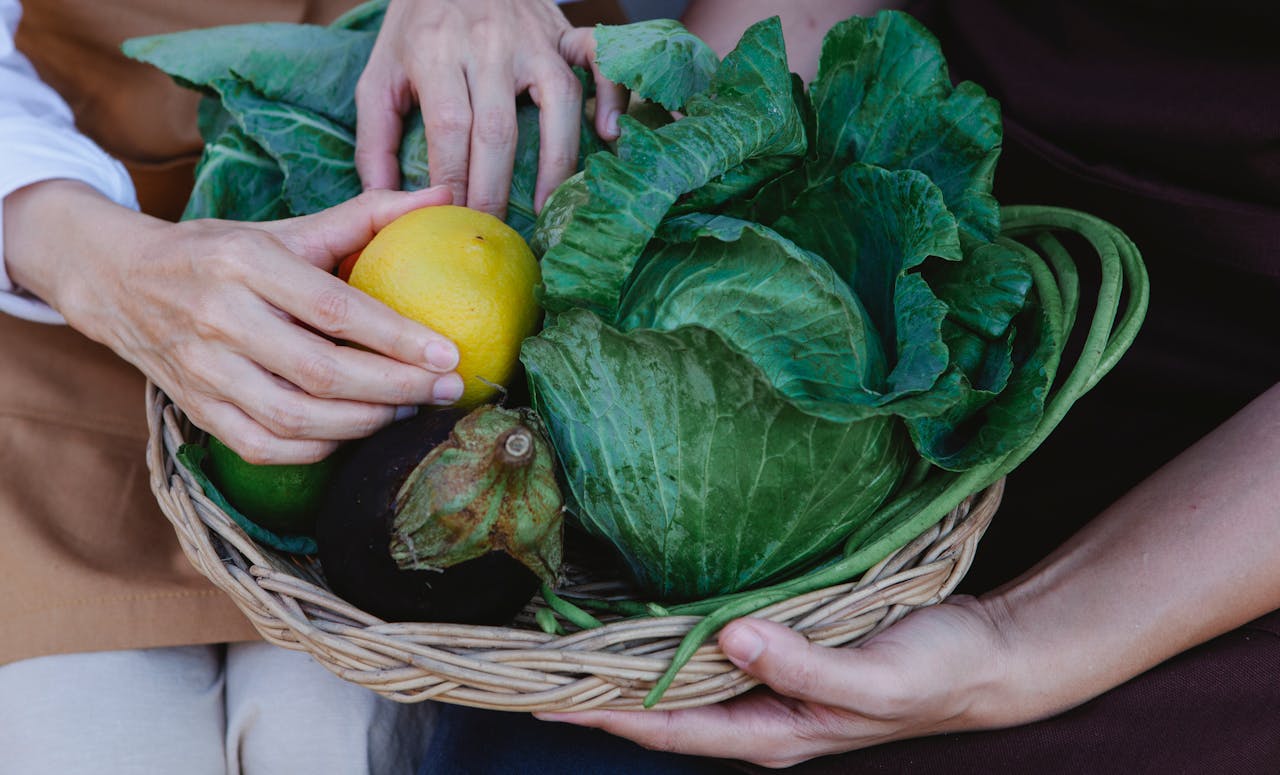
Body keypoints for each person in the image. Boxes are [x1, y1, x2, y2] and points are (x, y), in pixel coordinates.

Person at [418, 0, 1280, 772]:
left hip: (1222, 527)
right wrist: (690, 162)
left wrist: (1012, 640)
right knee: (536, 748)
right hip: (906, 201)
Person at [0, 0, 627, 772]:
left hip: (454, 412)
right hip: (59, 270)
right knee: (98, 745)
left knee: (323, 748)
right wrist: (86, 256)